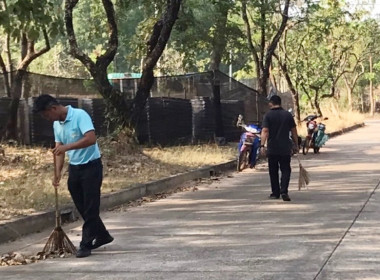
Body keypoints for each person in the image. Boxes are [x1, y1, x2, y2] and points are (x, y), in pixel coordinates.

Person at [33, 95, 113, 258]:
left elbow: (90, 139)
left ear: (53, 109)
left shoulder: (79, 115)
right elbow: (59, 150)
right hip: (75, 168)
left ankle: (86, 244)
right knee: (82, 206)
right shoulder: (57, 124)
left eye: (46, 115)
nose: (47, 119)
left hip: (91, 166)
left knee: (91, 207)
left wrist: (67, 147)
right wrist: (57, 173)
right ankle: (103, 235)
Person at [260, 95, 298, 202]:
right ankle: (284, 191)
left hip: (272, 147)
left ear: (271, 103)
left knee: (273, 170)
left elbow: (265, 131)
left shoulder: (268, 115)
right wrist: (296, 144)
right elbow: (294, 131)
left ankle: (275, 193)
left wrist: (262, 145)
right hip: (285, 147)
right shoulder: (287, 115)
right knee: (286, 169)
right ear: (280, 103)